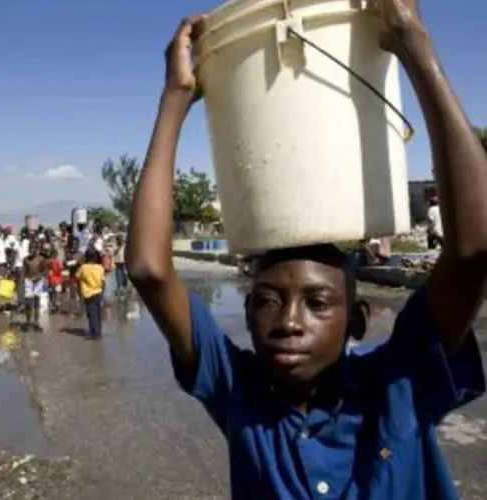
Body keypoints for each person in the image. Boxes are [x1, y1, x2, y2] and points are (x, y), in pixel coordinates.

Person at [125, 7, 487, 500]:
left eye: (318, 303)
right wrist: (176, 98)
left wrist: (413, 45)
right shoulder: (239, 390)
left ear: (358, 320)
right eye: (268, 301)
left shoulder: (400, 383)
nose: (288, 322)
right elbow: (148, 268)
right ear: (248, 315)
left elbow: (472, 250)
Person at [76, 248, 105, 340]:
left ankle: (94, 334)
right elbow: (103, 281)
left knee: (91, 314)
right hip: (98, 292)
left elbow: (76, 276)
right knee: (98, 313)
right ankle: (98, 331)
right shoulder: (100, 267)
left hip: (88, 293)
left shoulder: (83, 268)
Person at [22, 241, 46, 332]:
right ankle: (28, 322)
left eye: (33, 248)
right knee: (28, 303)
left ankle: (36, 322)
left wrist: (39, 277)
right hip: (28, 281)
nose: (31, 250)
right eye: (30, 248)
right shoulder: (25, 259)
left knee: (37, 302)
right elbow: (24, 271)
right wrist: (23, 282)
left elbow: (44, 271)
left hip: (38, 281)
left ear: (37, 249)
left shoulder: (41, 259)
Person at [46, 248, 64, 313]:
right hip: (58, 280)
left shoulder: (48, 261)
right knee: (57, 293)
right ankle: (57, 305)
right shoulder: (58, 261)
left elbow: (47, 271)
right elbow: (61, 269)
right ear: (56, 254)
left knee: (51, 293)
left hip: (51, 279)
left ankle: (53, 304)